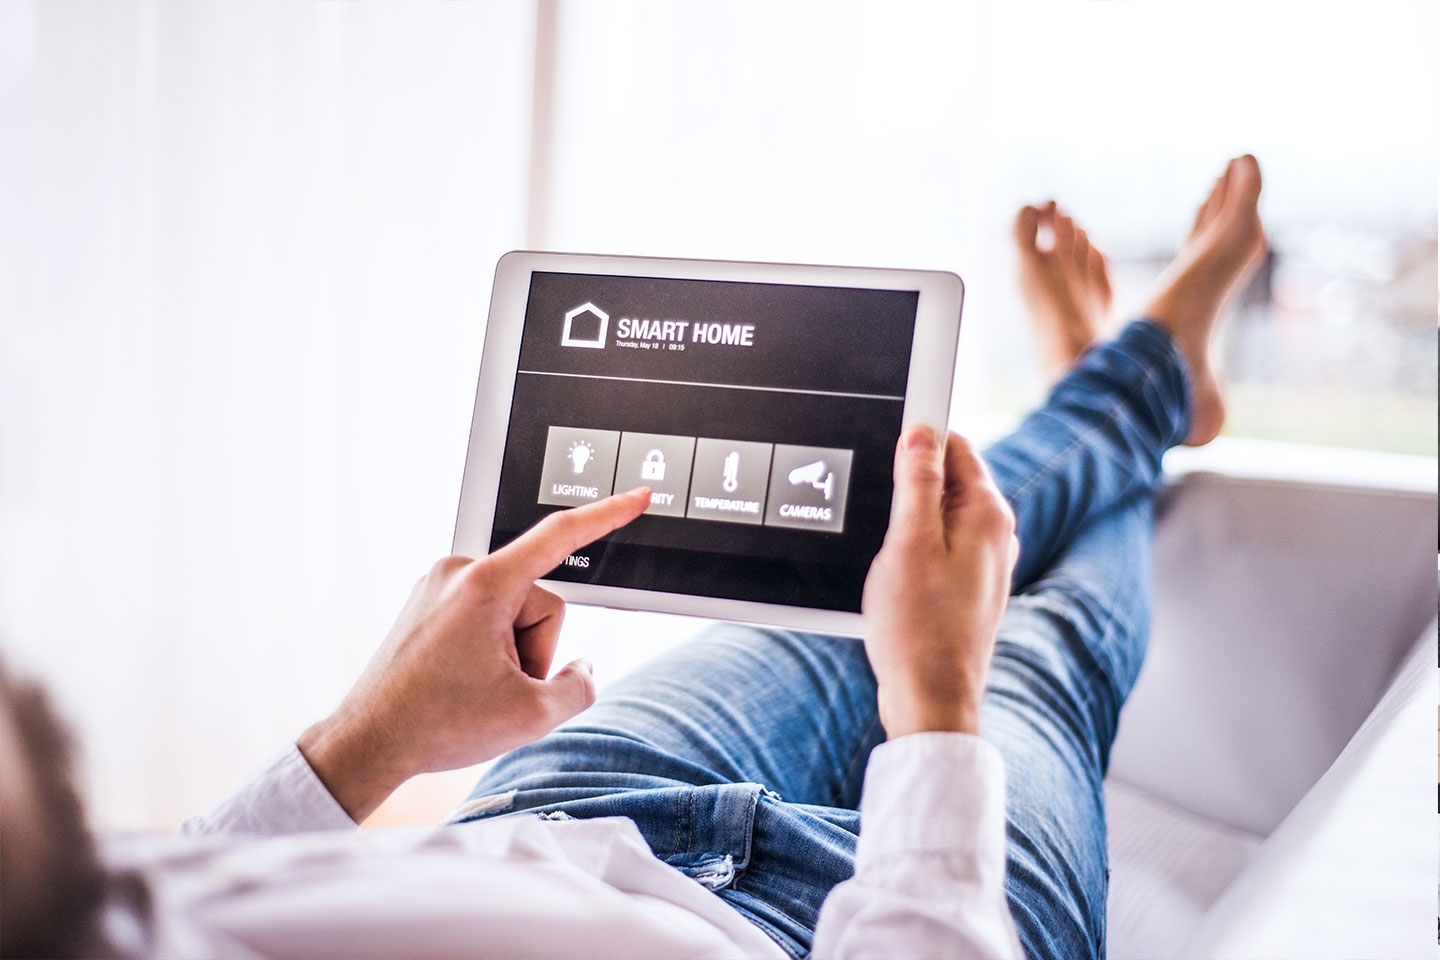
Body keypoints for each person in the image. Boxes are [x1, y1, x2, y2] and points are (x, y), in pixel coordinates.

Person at [0, 155, 1264, 960]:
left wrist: (366, 739)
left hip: (551, 822)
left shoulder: (53, 903)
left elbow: (140, 887)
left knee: (867, 567)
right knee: (1032, 659)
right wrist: (934, 710)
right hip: (847, 930)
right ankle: (1139, 389)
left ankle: (1131, 394)